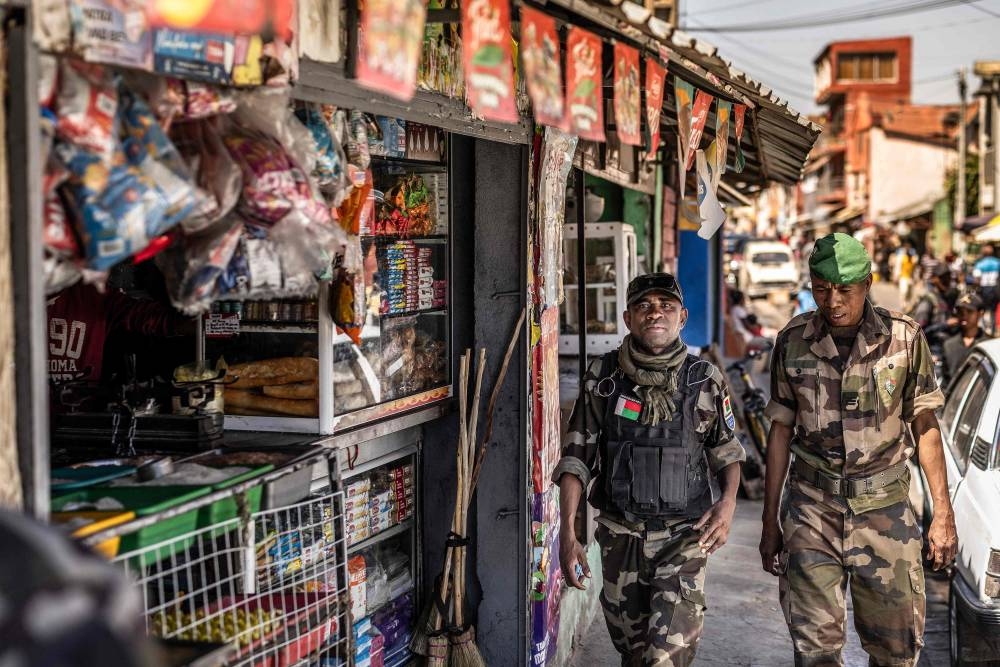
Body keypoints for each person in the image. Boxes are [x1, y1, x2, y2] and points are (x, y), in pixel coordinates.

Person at [760, 233, 957, 667]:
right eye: (821, 289)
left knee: (895, 652)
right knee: (815, 652)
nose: (832, 302)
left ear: (867, 284)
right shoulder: (792, 340)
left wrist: (942, 513)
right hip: (811, 511)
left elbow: (925, 425)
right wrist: (769, 518)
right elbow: (780, 431)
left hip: (886, 513)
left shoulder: (904, 338)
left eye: (844, 290)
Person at [554, 272, 745, 666]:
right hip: (620, 538)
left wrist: (727, 504)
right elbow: (576, 459)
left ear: (682, 317)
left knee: (664, 657)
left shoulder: (703, 380)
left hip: (684, 538)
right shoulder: (604, 377)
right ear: (628, 318)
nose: (655, 313)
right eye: (643, 306)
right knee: (635, 653)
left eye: (666, 306)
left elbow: (727, 451)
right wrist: (568, 535)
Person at [942, 293, 988, 387]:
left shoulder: (987, 344)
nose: (964, 315)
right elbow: (945, 382)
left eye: (969, 311)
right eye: (960, 311)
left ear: (980, 314)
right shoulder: (949, 345)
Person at [908, 263, 954, 329]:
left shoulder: (946, 298)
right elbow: (919, 330)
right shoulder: (928, 300)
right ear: (933, 279)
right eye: (942, 278)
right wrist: (945, 325)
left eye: (948, 277)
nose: (946, 280)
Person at [972, 245, 1000, 334]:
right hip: (995, 289)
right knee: (993, 310)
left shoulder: (980, 264)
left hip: (984, 289)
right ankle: (993, 329)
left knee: (982, 309)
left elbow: (977, 279)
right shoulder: (997, 262)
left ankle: (984, 330)